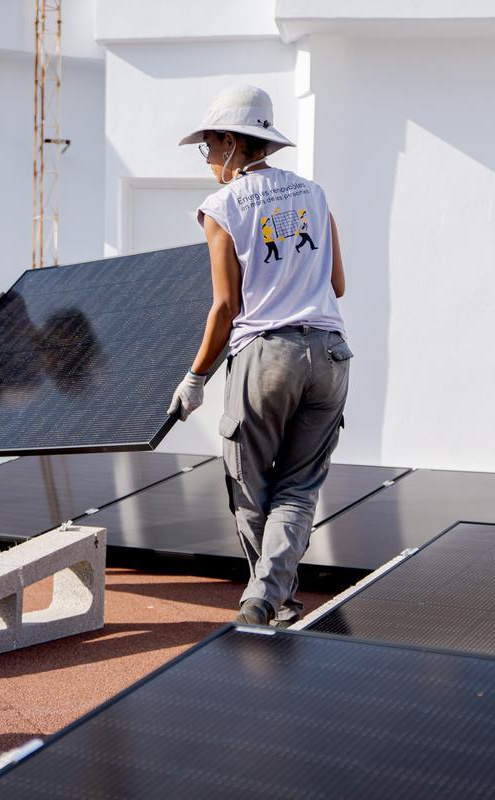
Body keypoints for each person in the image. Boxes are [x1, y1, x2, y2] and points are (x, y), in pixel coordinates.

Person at [168, 85, 351, 627]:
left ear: (229, 141)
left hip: (267, 356)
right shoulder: (314, 194)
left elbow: (225, 306)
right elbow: (337, 283)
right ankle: (276, 598)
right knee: (298, 488)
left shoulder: (222, 206)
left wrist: (196, 377)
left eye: (208, 147)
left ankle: (261, 600)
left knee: (251, 487)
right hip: (331, 353)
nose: (207, 160)